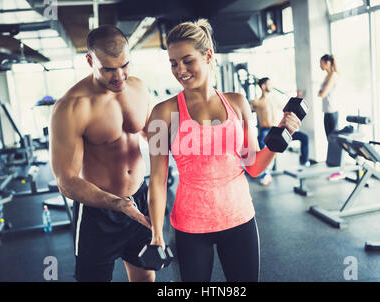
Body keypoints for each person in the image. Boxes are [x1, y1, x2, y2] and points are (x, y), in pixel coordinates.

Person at [146, 19, 301, 282]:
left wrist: (279, 139)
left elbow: (252, 166)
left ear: (207, 56)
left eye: (187, 60)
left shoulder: (237, 103)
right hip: (190, 225)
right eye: (173, 63)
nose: (179, 70)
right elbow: (158, 181)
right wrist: (157, 234)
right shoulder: (163, 113)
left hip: (239, 218)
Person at [49, 25, 154, 282]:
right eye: (108, 69)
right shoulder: (71, 107)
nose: (119, 76)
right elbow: (67, 180)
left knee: (145, 277)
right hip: (99, 214)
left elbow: (154, 136)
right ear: (89, 60)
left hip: (140, 200)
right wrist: (117, 203)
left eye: (124, 65)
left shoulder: (139, 88)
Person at [251, 77, 310, 186]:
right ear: (263, 86)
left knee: (304, 137)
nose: (271, 86)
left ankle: (305, 162)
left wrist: (297, 97)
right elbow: (242, 110)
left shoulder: (274, 100)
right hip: (266, 131)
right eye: (269, 84)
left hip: (278, 129)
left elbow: (288, 107)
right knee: (264, 143)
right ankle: (266, 174)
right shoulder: (257, 102)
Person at [318, 54, 342, 180]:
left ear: (327, 63)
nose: (319, 65)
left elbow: (322, 93)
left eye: (321, 62)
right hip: (327, 111)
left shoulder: (333, 75)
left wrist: (321, 92)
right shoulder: (327, 76)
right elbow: (321, 93)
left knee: (334, 142)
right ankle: (334, 169)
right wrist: (321, 92)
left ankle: (338, 171)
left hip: (333, 111)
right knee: (329, 140)